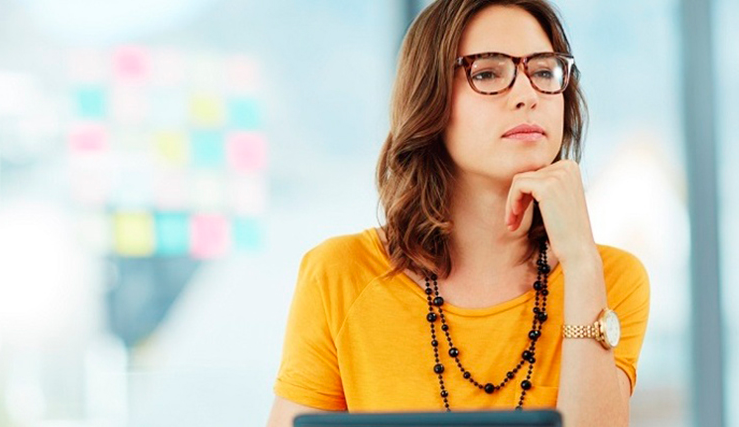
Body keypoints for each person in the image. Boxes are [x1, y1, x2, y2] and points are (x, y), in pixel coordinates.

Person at [266, 1, 650, 426]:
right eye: (487, 74)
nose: (527, 96)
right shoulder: (340, 275)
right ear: (430, 101)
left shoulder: (606, 279)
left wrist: (581, 263)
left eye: (543, 72)